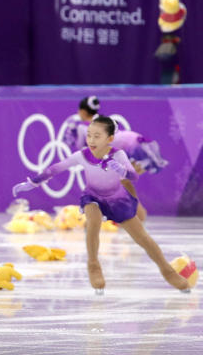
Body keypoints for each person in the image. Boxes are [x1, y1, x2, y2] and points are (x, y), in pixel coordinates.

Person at [13, 116, 192, 294]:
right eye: (89, 135)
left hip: (117, 199)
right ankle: (93, 264)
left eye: (97, 136)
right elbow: (56, 168)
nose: (91, 140)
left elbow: (133, 176)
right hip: (93, 196)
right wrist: (33, 183)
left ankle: (167, 271)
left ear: (110, 139)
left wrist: (121, 170)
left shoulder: (119, 155)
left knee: (143, 238)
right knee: (93, 220)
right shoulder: (82, 155)